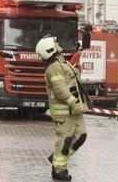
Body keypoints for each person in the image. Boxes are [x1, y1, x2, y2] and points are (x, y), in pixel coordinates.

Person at [36, 36, 92, 181]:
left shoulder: (62, 62)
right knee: (65, 140)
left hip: (74, 110)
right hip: (64, 112)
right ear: (50, 49)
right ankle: (59, 170)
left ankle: (57, 158)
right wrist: (74, 103)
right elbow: (61, 90)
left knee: (81, 136)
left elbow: (71, 82)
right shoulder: (53, 68)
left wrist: (77, 72)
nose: (58, 44)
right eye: (55, 43)